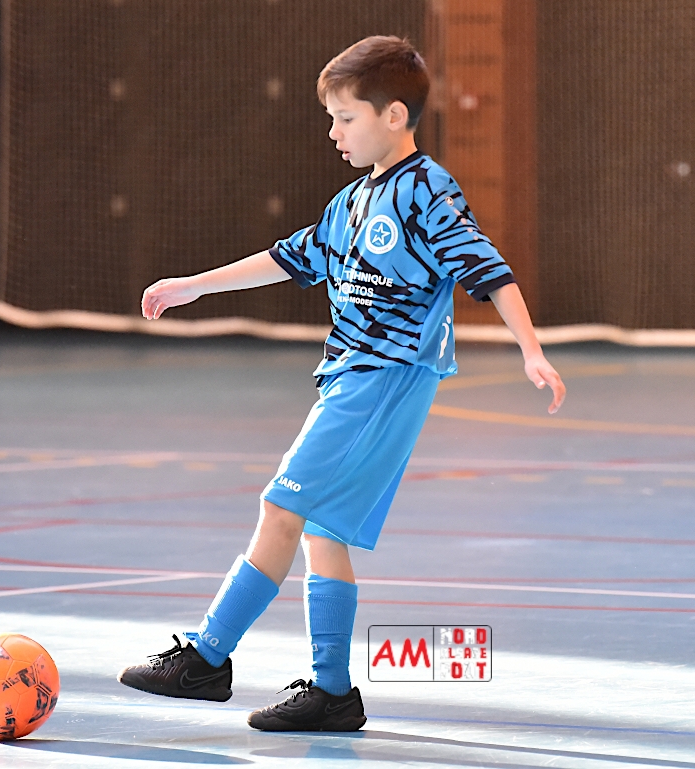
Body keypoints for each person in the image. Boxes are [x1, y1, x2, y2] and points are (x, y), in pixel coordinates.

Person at [117, 35, 565, 732]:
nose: (334, 133)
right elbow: (287, 257)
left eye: (345, 118)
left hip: (382, 377)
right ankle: (331, 693)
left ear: (394, 116)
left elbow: (488, 268)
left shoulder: (426, 190)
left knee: (280, 508)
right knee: (323, 531)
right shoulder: (352, 201)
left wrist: (531, 350)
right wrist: (193, 286)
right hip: (350, 377)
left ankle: (207, 657)